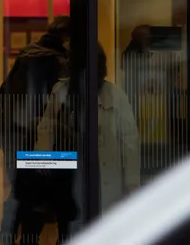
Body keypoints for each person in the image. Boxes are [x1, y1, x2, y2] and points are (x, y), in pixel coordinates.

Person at [36, 44, 140, 229]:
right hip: (70, 176)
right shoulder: (60, 92)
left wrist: (131, 182)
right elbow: (46, 130)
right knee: (73, 227)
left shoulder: (115, 96)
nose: (66, 62)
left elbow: (129, 141)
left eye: (72, 59)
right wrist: (42, 162)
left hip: (106, 178)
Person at [0, 17, 71, 244]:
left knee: (25, 198)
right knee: (50, 200)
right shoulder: (56, 62)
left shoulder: (26, 56)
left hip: (18, 138)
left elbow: (4, 94)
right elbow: (60, 107)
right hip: (45, 139)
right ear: (66, 37)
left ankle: (10, 238)